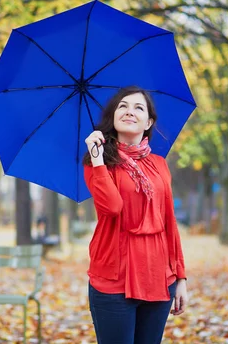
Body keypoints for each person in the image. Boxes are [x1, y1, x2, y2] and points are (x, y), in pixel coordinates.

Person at [83, 86, 188, 344]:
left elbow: (168, 223)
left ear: (149, 121)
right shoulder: (97, 162)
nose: (130, 111)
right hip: (114, 278)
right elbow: (112, 207)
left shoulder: (159, 164)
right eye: (123, 106)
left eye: (138, 107)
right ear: (113, 116)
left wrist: (181, 277)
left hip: (158, 276)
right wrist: (98, 160)